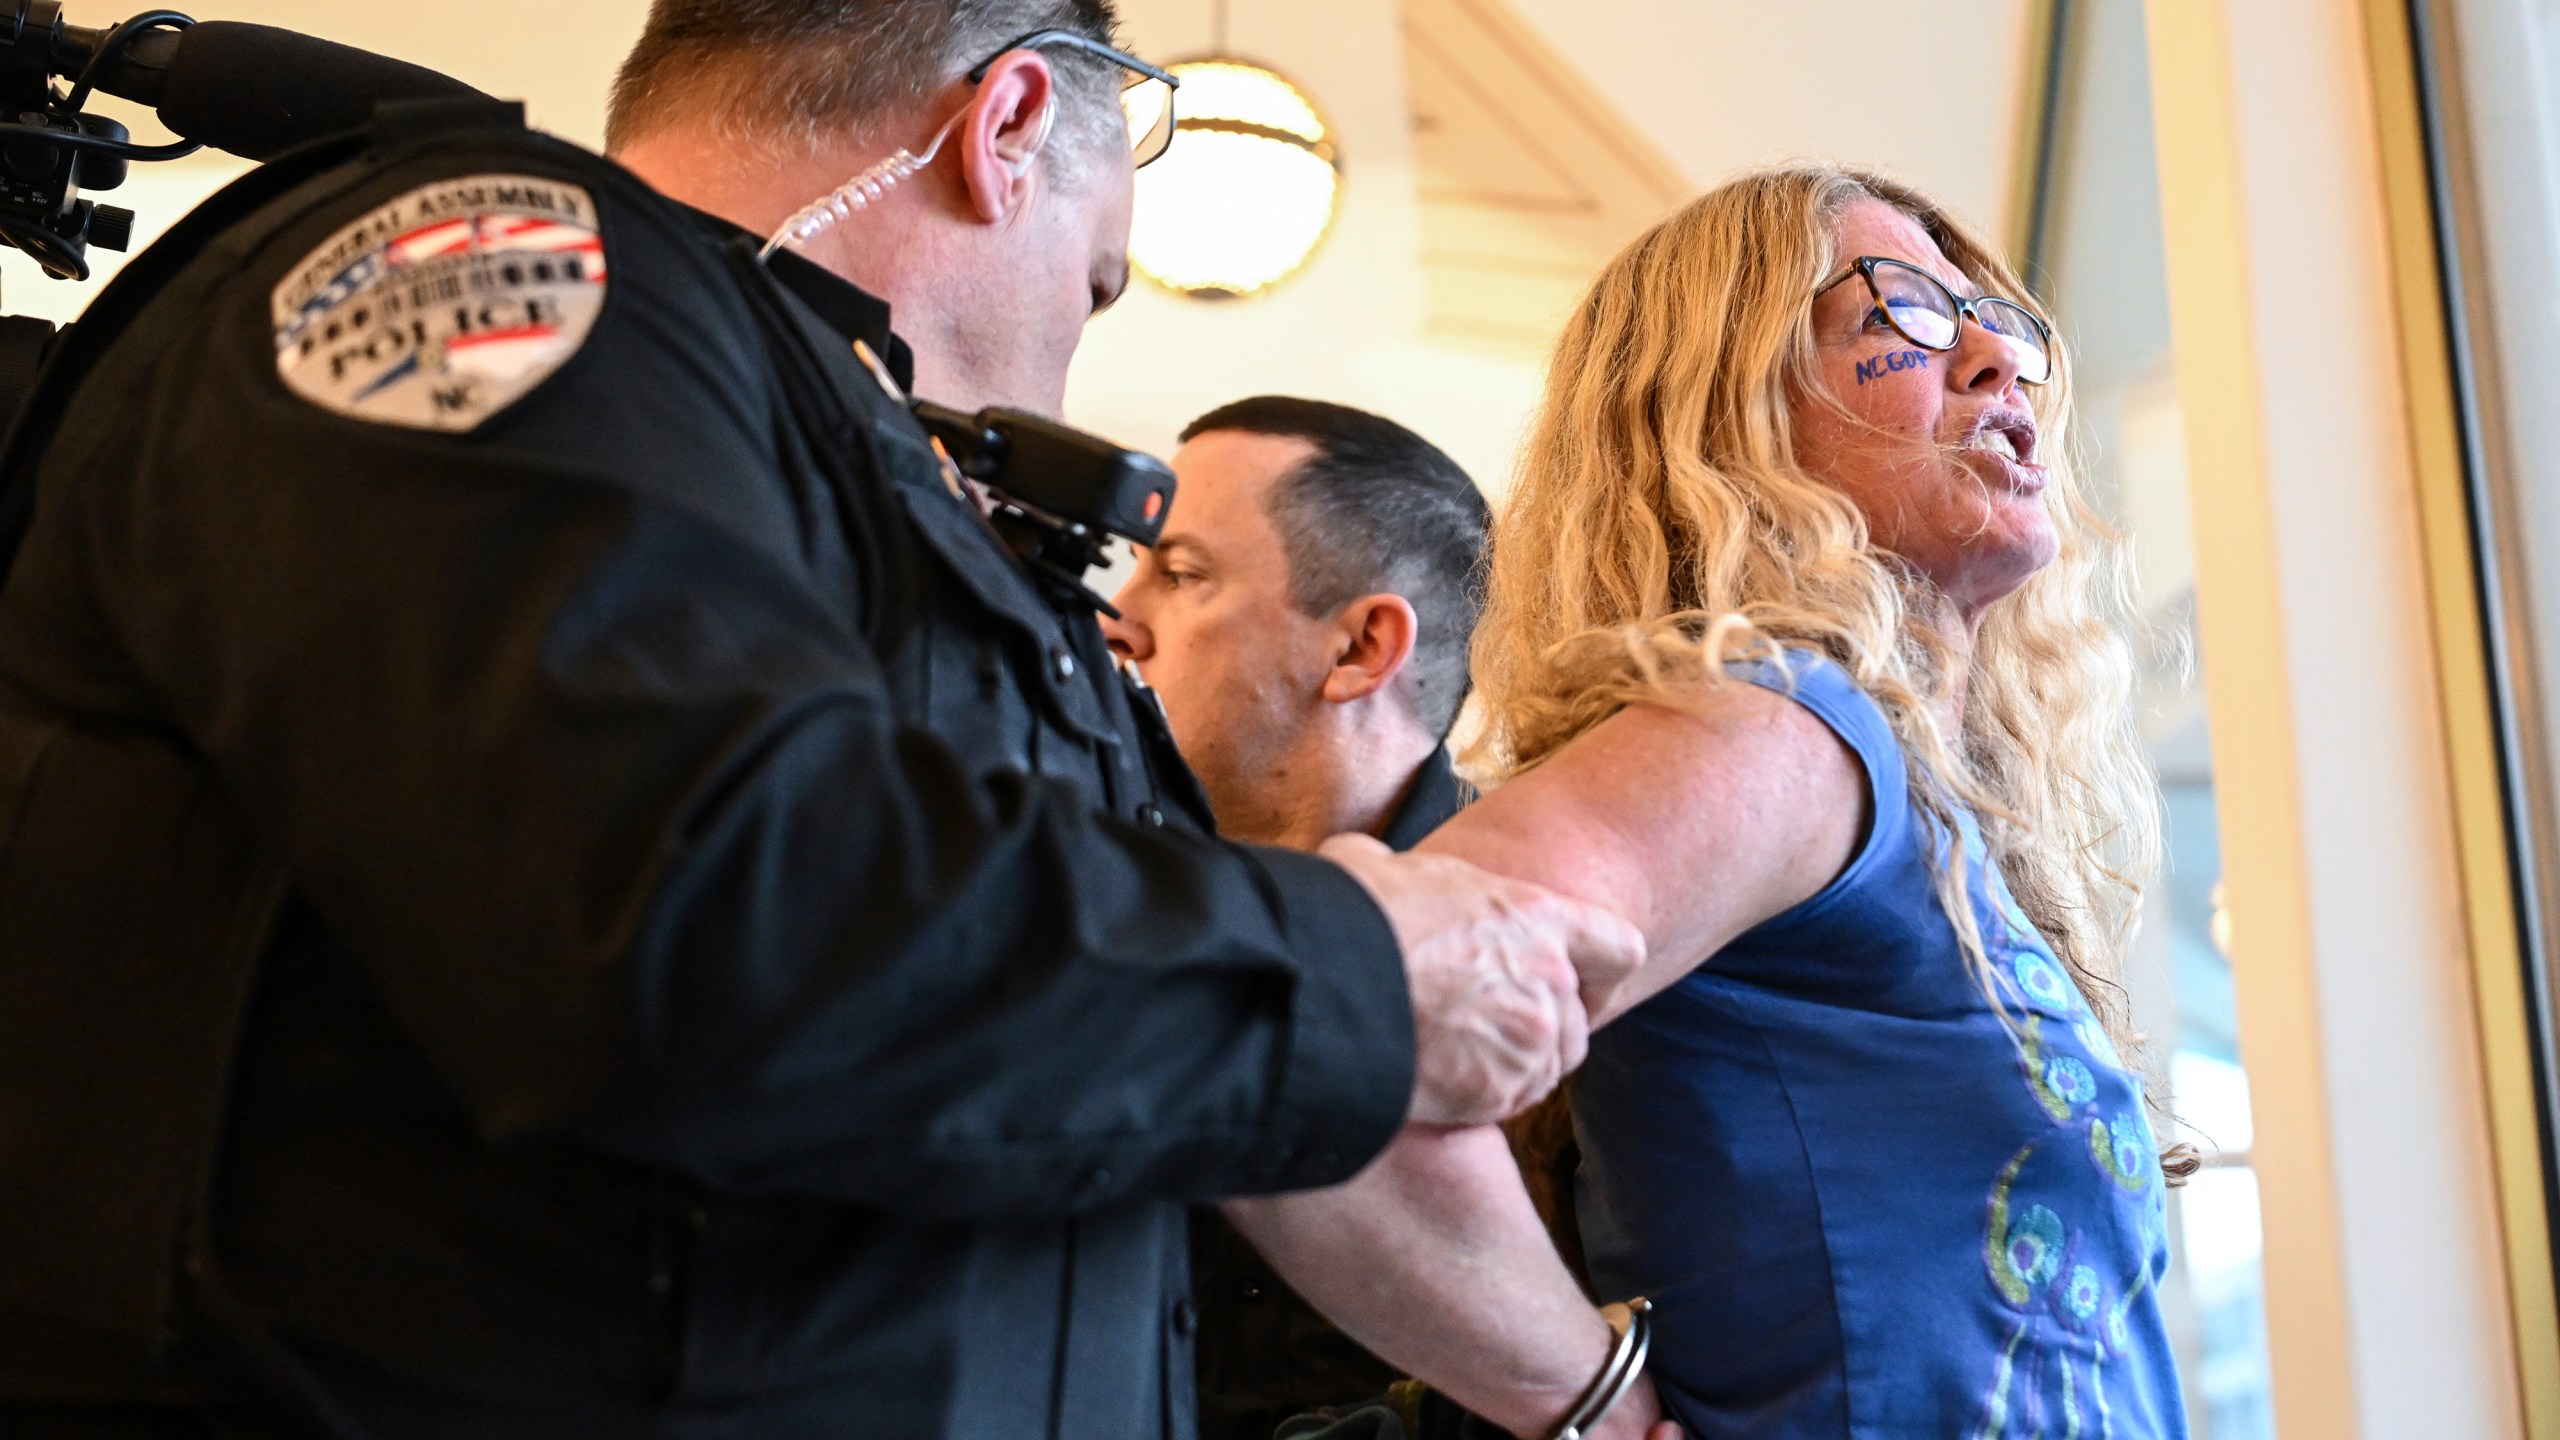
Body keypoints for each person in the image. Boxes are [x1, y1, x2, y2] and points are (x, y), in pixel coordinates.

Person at [0, 3, 1645, 1437]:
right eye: (1095, 287)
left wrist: (1583, 1399)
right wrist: (1358, 965)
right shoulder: (498, 260)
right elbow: (693, 915)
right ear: (1002, 127)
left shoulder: (843, 480)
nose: (1063, 378)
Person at [1231, 164, 2193, 1437]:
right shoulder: (1787, 728)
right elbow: (1290, 1026)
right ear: (1722, 413)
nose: (1991, 362)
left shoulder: (1913, 801)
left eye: (1999, 320)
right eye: (1895, 311)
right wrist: (1587, 1406)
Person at [1098, 397, 1492, 1439]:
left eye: (1179, 575)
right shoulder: (1092, 901)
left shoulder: (1546, 958)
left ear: (1361, 647)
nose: (1114, 615)